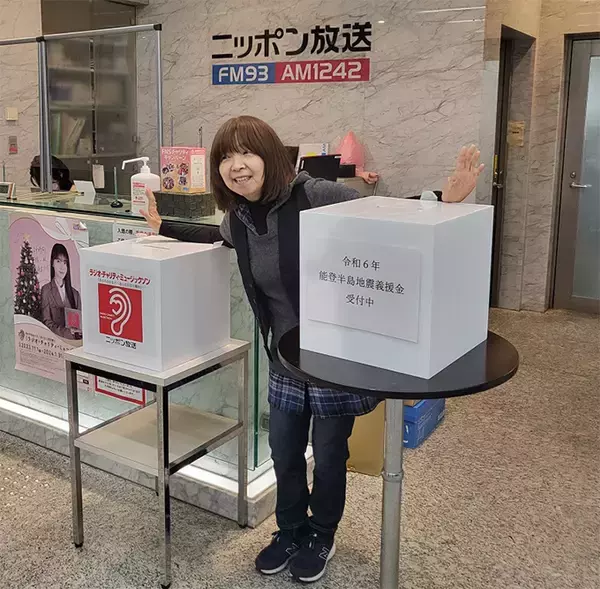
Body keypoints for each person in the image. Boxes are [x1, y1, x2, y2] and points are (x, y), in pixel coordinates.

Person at [141, 116, 484, 584]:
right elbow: (215, 237)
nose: (236, 165)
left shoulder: (313, 196)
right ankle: (290, 531)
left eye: (247, 152)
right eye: (226, 157)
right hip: (285, 359)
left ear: (270, 156)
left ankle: (322, 533)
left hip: (332, 356)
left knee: (328, 452)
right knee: (284, 451)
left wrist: (443, 199)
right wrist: (164, 226)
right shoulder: (238, 219)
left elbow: (386, 213)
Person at [40, 243, 81, 339]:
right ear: (52, 263)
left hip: (74, 343)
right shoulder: (46, 290)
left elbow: (81, 323)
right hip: (55, 341)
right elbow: (47, 322)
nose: (62, 267)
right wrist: (66, 332)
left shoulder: (75, 294)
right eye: (58, 261)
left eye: (65, 262)